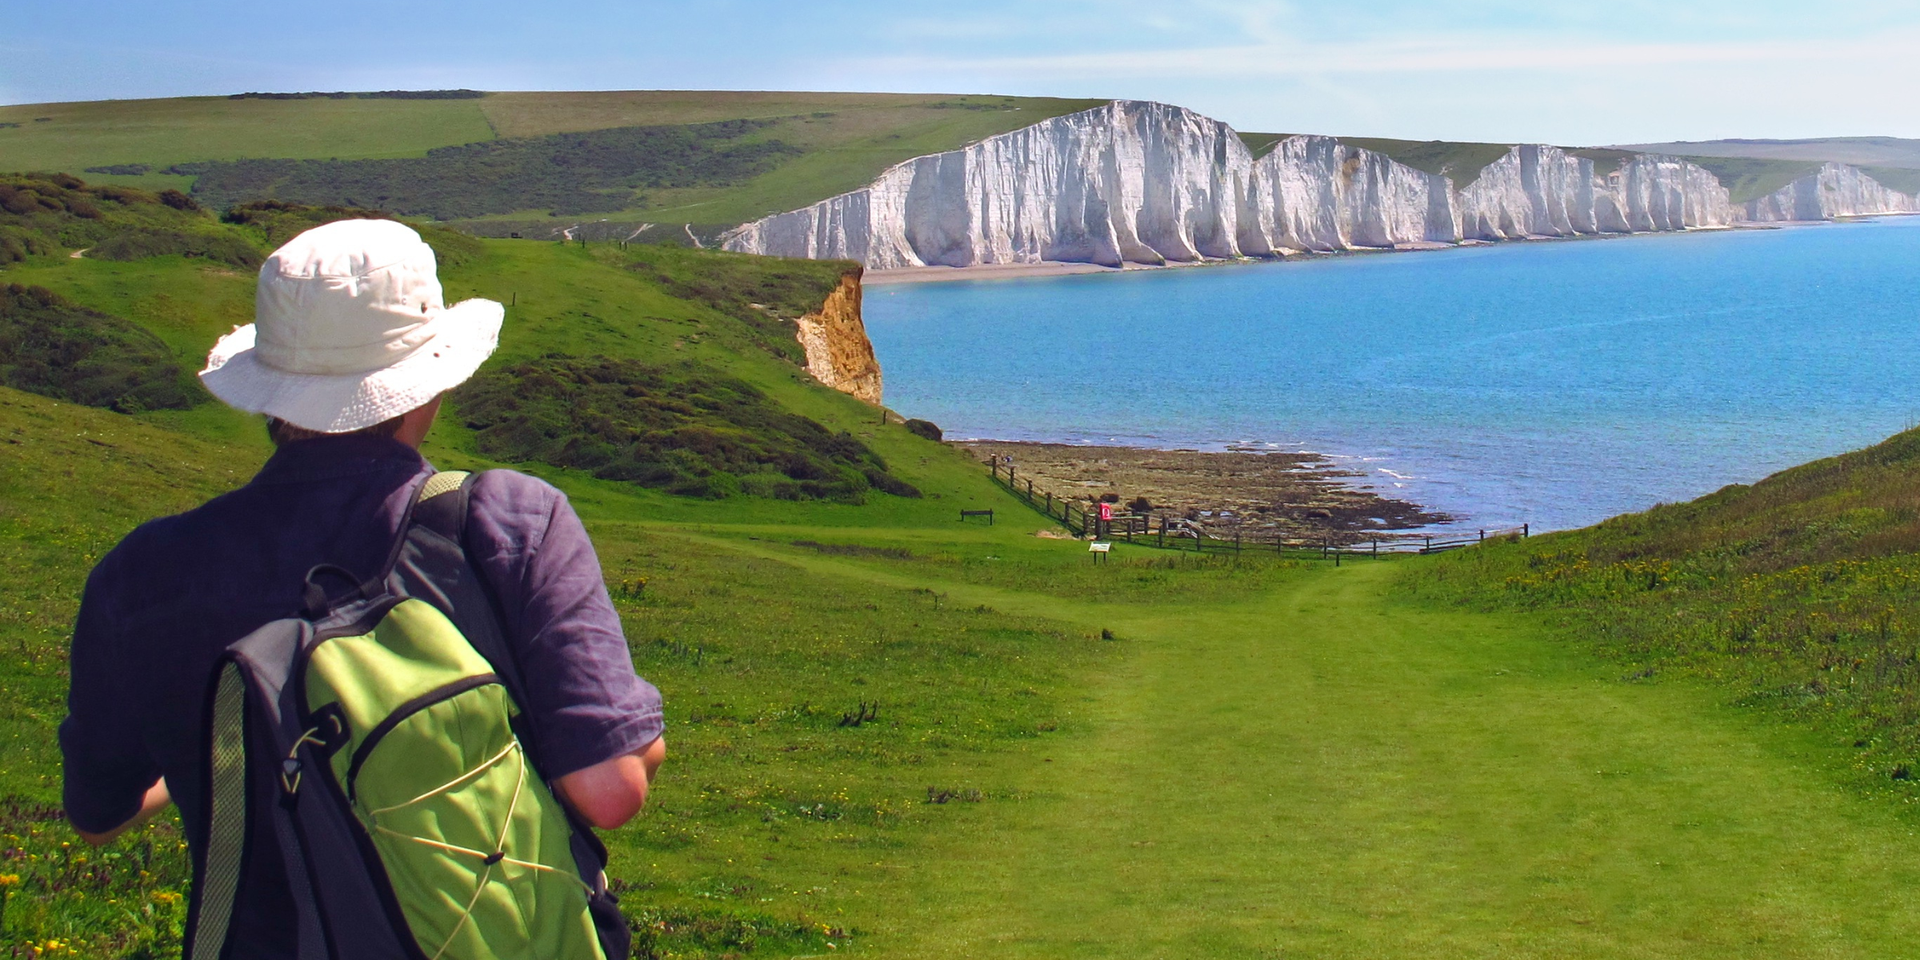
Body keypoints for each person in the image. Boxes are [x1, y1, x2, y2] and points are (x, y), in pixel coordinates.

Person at [60, 219, 665, 955]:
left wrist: (219, 754)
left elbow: (98, 812)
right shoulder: (506, 520)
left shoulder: (143, 573)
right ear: (428, 381)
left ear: (275, 397)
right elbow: (609, 790)